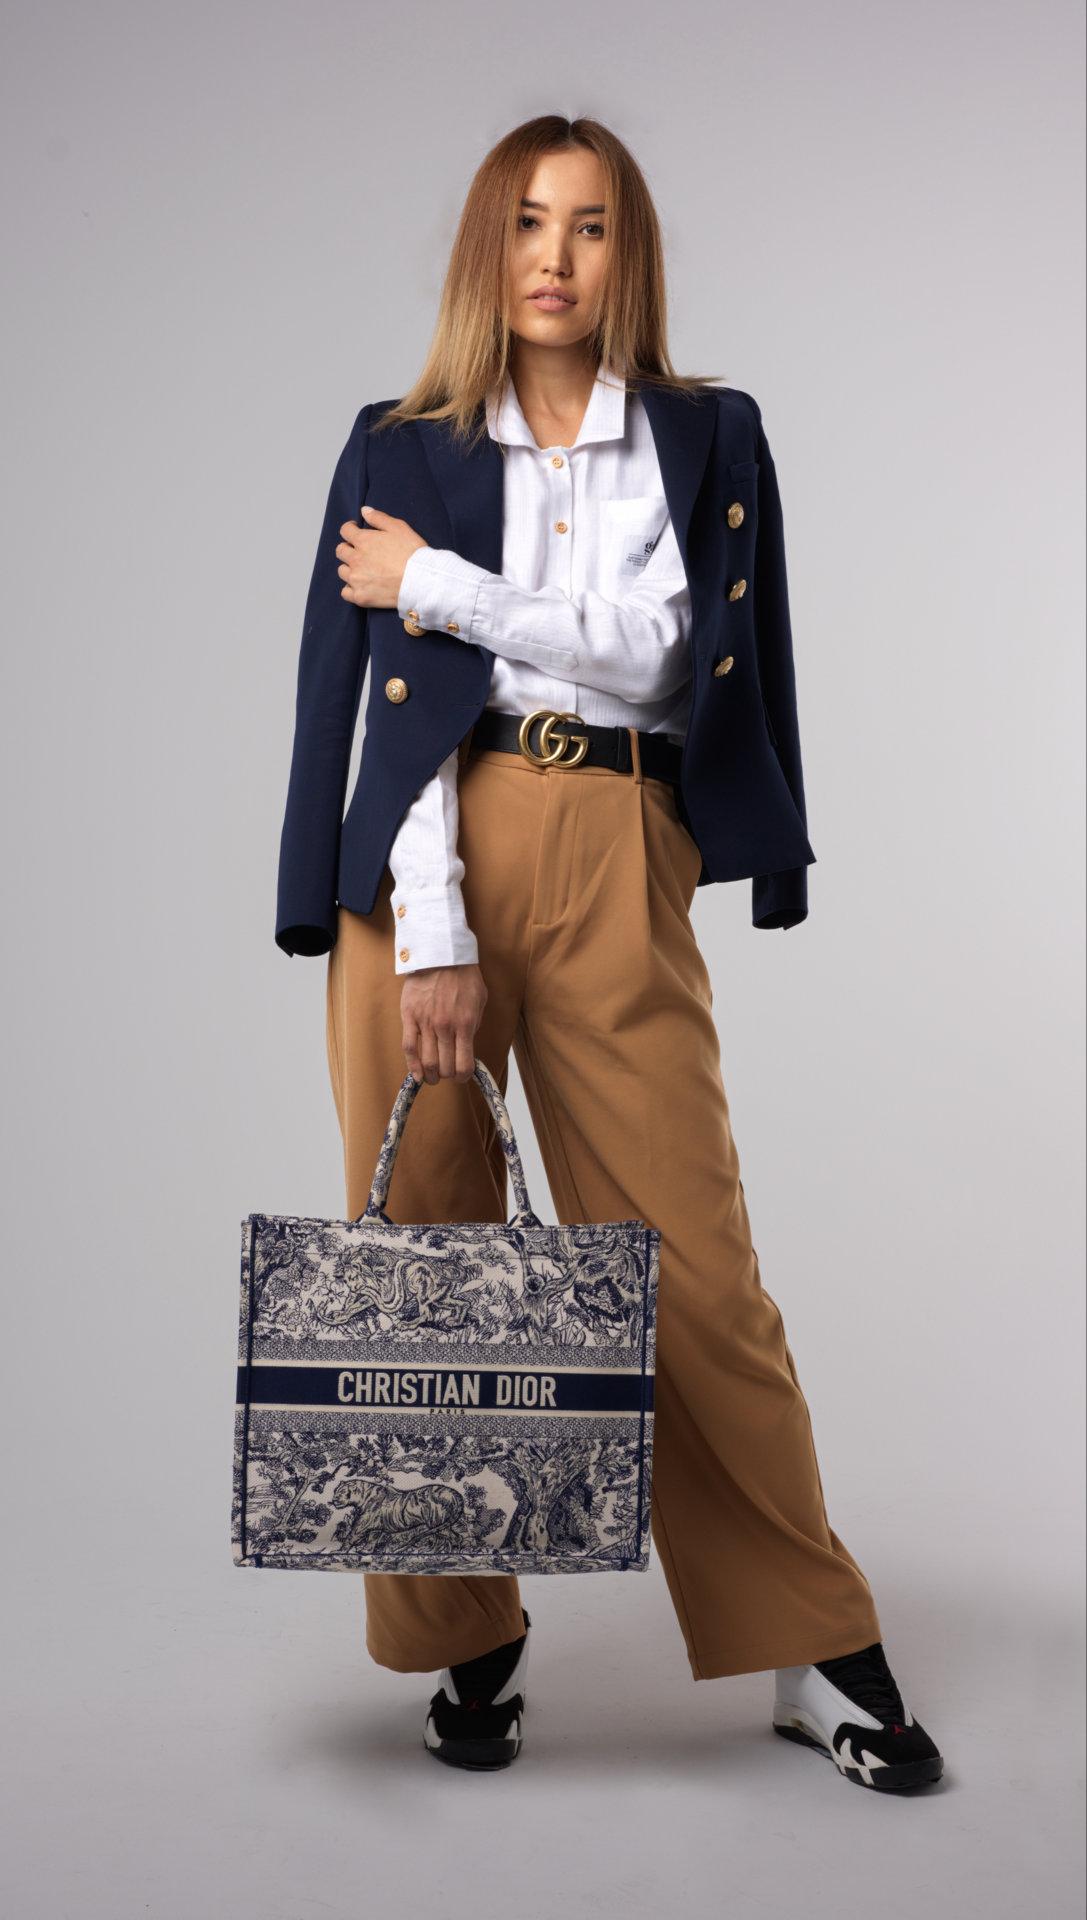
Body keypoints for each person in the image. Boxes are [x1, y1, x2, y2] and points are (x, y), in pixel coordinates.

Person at [274, 113, 945, 1790]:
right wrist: (434, 932)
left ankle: (812, 1641)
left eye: (587, 225)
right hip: (425, 864)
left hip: (622, 842)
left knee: (692, 1268)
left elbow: (661, 660)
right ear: (485, 249)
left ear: (626, 252)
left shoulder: (704, 437)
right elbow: (387, 714)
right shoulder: (400, 444)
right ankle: (468, 1637)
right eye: (525, 222)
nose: (555, 257)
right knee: (427, 1263)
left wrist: (447, 586)